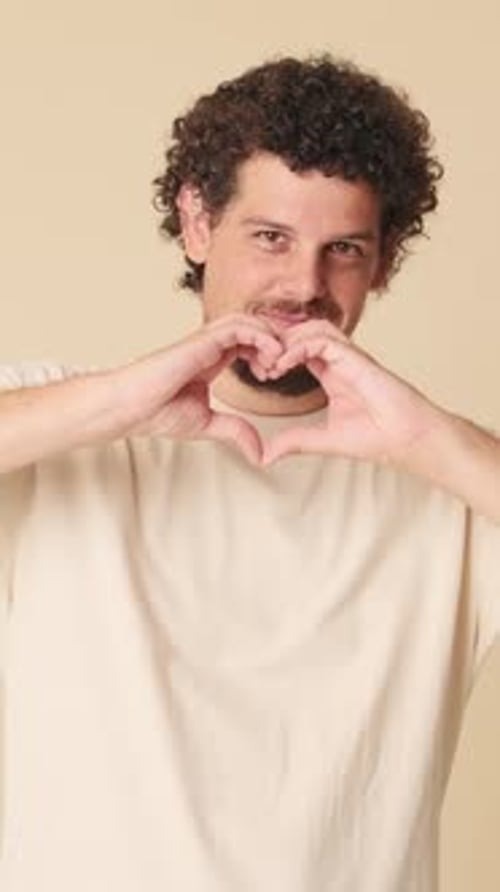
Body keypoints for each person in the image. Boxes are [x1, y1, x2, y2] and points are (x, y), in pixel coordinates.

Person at [0, 54, 499, 892]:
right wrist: (123, 401)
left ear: (382, 264)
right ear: (198, 224)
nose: (303, 285)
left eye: (343, 249)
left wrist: (431, 442)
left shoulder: (455, 483)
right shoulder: (55, 434)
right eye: (270, 238)